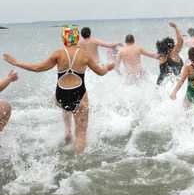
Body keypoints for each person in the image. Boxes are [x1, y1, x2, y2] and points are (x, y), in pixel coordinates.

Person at [3, 25, 114, 154]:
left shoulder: (58, 54)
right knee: (81, 133)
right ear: (77, 38)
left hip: (61, 96)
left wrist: (16, 63)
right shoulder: (85, 55)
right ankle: (78, 161)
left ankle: (67, 130)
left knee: (63, 104)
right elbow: (100, 72)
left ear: (63, 38)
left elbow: (38, 68)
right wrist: (108, 67)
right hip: (79, 94)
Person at [170, 47, 194, 118]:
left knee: (185, 116)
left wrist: (174, 92)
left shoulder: (188, 68)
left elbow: (181, 81)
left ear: (189, 57)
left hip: (190, 92)